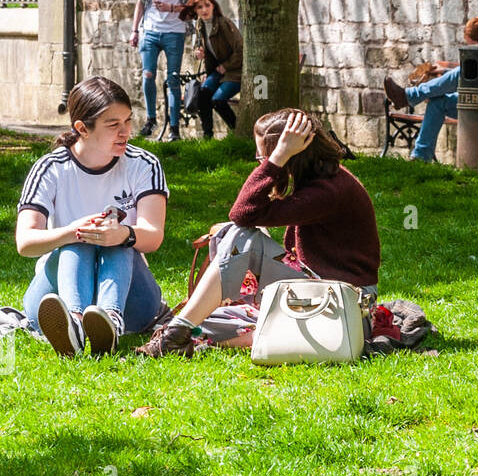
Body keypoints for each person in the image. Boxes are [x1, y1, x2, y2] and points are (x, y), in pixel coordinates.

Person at [138, 108, 380, 357]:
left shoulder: (328, 191)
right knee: (205, 316)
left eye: (262, 157)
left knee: (240, 235)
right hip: (320, 291)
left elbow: (242, 212)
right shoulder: (320, 179)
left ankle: (177, 334)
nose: (261, 162)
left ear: (293, 154)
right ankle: (185, 334)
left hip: (343, 305)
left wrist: (276, 160)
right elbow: (246, 214)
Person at [16, 77, 168, 357]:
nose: (126, 132)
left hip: (133, 297)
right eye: (113, 125)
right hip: (57, 292)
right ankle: (72, 323)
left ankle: (110, 320)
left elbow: (153, 235)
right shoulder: (50, 168)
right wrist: (72, 231)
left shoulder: (145, 165)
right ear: (82, 128)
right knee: (79, 238)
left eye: (128, 121)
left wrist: (123, 233)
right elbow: (25, 242)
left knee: (116, 239)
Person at [382, 17, 478, 161]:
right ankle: (420, 156)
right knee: (438, 102)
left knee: (461, 71)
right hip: (477, 102)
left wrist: (452, 72)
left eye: (472, 46)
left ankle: (409, 96)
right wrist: (445, 72)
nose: (472, 50)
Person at [129, 0, 200, 142]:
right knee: (148, 74)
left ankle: (174, 128)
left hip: (175, 31)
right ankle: (151, 119)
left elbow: (193, 6)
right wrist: (134, 30)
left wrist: (170, 8)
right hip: (150, 29)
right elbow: (142, 1)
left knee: (173, 78)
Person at [185, 0, 243, 139]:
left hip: (235, 70)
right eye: (199, 7)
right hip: (217, 72)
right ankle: (208, 136)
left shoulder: (224, 24)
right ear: (195, 10)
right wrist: (198, 53)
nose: (204, 10)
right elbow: (202, 49)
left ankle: (238, 133)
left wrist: (226, 66)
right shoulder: (199, 25)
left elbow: (241, 50)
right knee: (203, 95)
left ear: (213, 6)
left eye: (207, 5)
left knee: (217, 100)